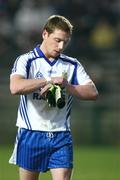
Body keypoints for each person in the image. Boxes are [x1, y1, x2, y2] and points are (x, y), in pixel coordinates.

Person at [9, 15, 98, 180]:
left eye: (65, 42)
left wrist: (67, 85)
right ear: (45, 34)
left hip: (61, 135)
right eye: (57, 40)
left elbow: (93, 93)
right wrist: (49, 80)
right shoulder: (26, 60)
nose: (61, 46)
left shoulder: (71, 64)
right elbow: (15, 87)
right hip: (31, 133)